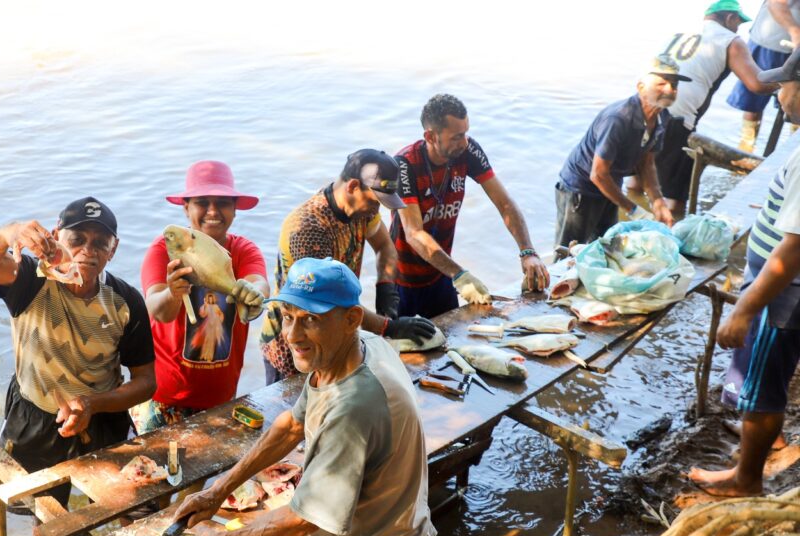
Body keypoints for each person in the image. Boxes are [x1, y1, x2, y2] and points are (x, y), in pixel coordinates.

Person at [175, 257, 436, 536]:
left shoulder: (353, 408)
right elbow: (292, 426)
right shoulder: (355, 348)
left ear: (352, 319)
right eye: (287, 317)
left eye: (311, 319)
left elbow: (303, 519)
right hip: (395, 531)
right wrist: (218, 490)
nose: (292, 336)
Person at [0, 196, 156, 536]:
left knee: (119, 510)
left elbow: (146, 382)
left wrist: (94, 404)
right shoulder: (28, 280)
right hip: (38, 417)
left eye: (99, 243)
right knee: (47, 528)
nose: (86, 252)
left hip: (103, 416)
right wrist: (10, 231)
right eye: (77, 240)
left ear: (113, 250)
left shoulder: (125, 300)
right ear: (56, 237)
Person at [689, 48, 800, 497]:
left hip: (784, 296)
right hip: (781, 293)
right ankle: (756, 445)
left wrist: (744, 310)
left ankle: (746, 479)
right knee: (765, 383)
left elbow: (792, 251)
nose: (777, 94)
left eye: (786, 85)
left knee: (765, 387)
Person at [258, 149, 436, 384]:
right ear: (353, 187)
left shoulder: (361, 211)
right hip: (295, 345)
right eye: (376, 202)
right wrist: (388, 327)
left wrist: (386, 289)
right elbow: (330, 303)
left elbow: (385, 246)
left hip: (331, 336)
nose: (377, 210)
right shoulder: (308, 229)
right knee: (295, 413)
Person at [138, 161, 268, 433]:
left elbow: (260, 286)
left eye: (222, 202)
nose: (212, 211)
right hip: (165, 399)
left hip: (222, 398)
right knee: (157, 473)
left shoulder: (244, 251)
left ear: (234, 209)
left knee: (210, 472)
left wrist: (254, 293)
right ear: (186, 208)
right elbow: (156, 309)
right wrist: (173, 293)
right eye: (202, 202)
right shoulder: (164, 249)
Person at [391, 93, 550, 318]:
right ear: (430, 136)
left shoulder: (468, 152)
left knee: (451, 340)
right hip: (401, 280)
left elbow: (504, 203)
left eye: (466, 133)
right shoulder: (404, 164)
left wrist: (528, 251)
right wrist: (461, 276)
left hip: (441, 273)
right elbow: (414, 233)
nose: (464, 142)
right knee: (398, 349)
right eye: (456, 137)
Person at [645, 0, 776, 216]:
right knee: (674, 198)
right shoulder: (730, 40)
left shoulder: (680, 35)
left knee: (638, 177)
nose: (738, 28)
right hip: (678, 117)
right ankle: (668, 232)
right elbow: (757, 84)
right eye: (738, 23)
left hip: (645, 108)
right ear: (730, 18)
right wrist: (787, 80)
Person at [555, 56, 685, 250]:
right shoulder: (618, 119)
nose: (670, 90)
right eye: (662, 83)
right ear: (641, 87)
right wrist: (633, 209)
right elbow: (598, 174)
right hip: (580, 189)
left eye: (674, 85)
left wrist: (658, 201)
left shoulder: (661, 116)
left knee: (607, 248)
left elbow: (646, 163)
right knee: (568, 253)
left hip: (610, 187)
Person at [727, 0, 800, 152]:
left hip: (795, 51)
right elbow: (776, 4)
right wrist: (795, 32)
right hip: (772, 43)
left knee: (796, 102)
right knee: (754, 100)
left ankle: (791, 151)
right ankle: (746, 149)